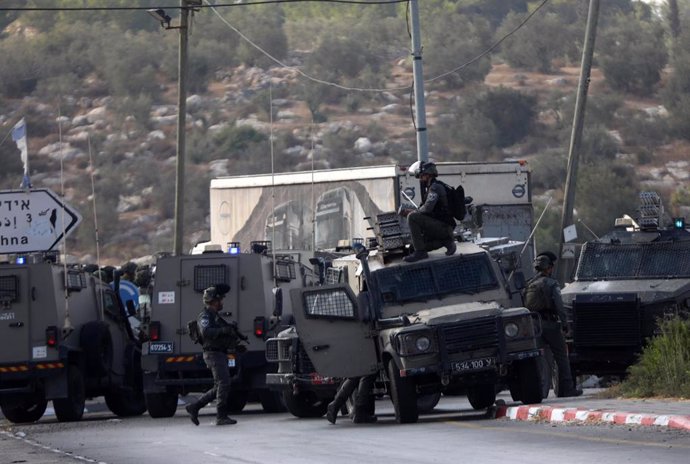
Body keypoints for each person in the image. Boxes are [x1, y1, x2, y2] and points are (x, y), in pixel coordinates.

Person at [523, 252, 582, 398]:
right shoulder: (552, 283)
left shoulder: (529, 284)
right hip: (550, 324)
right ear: (548, 268)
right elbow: (560, 306)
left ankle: (541, 391)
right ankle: (567, 389)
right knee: (561, 357)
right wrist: (564, 324)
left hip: (534, 325)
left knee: (541, 359)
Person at [185, 284, 246, 426]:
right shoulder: (205, 315)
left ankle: (195, 407)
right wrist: (225, 330)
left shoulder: (215, 317)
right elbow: (206, 332)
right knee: (224, 383)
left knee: (219, 385)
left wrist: (236, 346)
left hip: (219, 353)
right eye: (220, 300)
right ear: (214, 301)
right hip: (213, 354)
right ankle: (221, 416)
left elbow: (221, 338)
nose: (222, 303)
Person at [399, 161, 456, 263]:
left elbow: (427, 208)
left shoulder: (435, 188)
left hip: (443, 226)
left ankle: (421, 253)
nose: (420, 179)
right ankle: (446, 242)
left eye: (421, 176)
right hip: (441, 226)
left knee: (412, 217)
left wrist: (413, 212)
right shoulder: (431, 187)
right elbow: (426, 207)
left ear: (428, 175)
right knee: (413, 247)